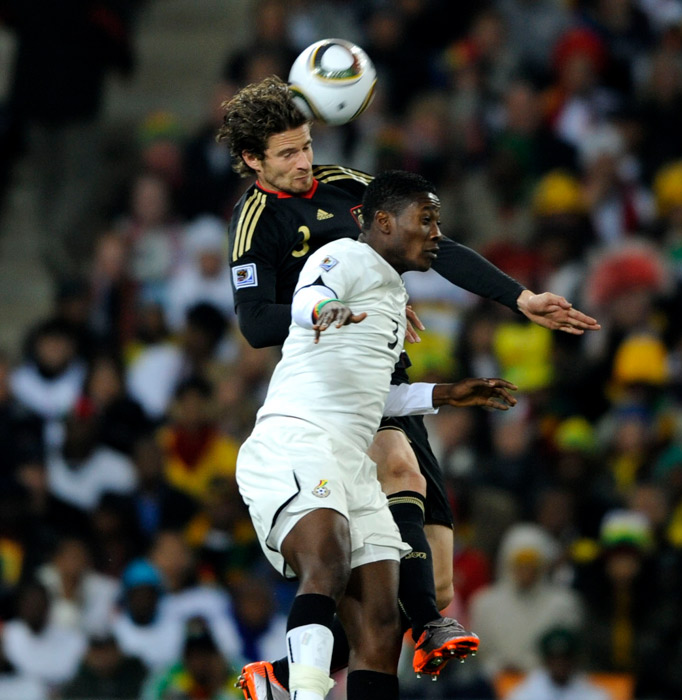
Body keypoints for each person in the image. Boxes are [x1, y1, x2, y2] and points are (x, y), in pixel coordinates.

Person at [216, 76, 600, 695]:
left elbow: (426, 240)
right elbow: (257, 323)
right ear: (252, 160)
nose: (303, 161)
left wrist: (520, 298)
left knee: (427, 585)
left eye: (306, 145)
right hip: (331, 381)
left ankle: (286, 672)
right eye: (286, 153)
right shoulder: (257, 220)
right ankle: (417, 629)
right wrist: (343, 306)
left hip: (384, 374)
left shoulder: (347, 186)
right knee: (395, 473)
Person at [235, 169, 519, 700]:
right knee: (328, 559)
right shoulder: (343, 255)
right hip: (299, 440)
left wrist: (446, 394)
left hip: (352, 462)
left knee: (381, 623)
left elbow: (372, 397)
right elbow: (309, 297)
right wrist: (325, 308)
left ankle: (279, 678)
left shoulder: (391, 295)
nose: (436, 234)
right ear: (384, 222)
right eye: (426, 220)